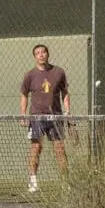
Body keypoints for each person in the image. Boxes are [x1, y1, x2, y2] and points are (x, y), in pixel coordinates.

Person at [20, 43, 70, 192]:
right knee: (36, 148)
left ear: (48, 54)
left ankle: (66, 182)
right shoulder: (29, 75)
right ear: (35, 57)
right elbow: (23, 95)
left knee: (59, 149)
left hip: (55, 117)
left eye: (43, 52)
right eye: (38, 53)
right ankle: (33, 181)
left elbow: (65, 92)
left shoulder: (59, 72)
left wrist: (68, 111)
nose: (41, 55)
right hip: (36, 117)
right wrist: (23, 114)